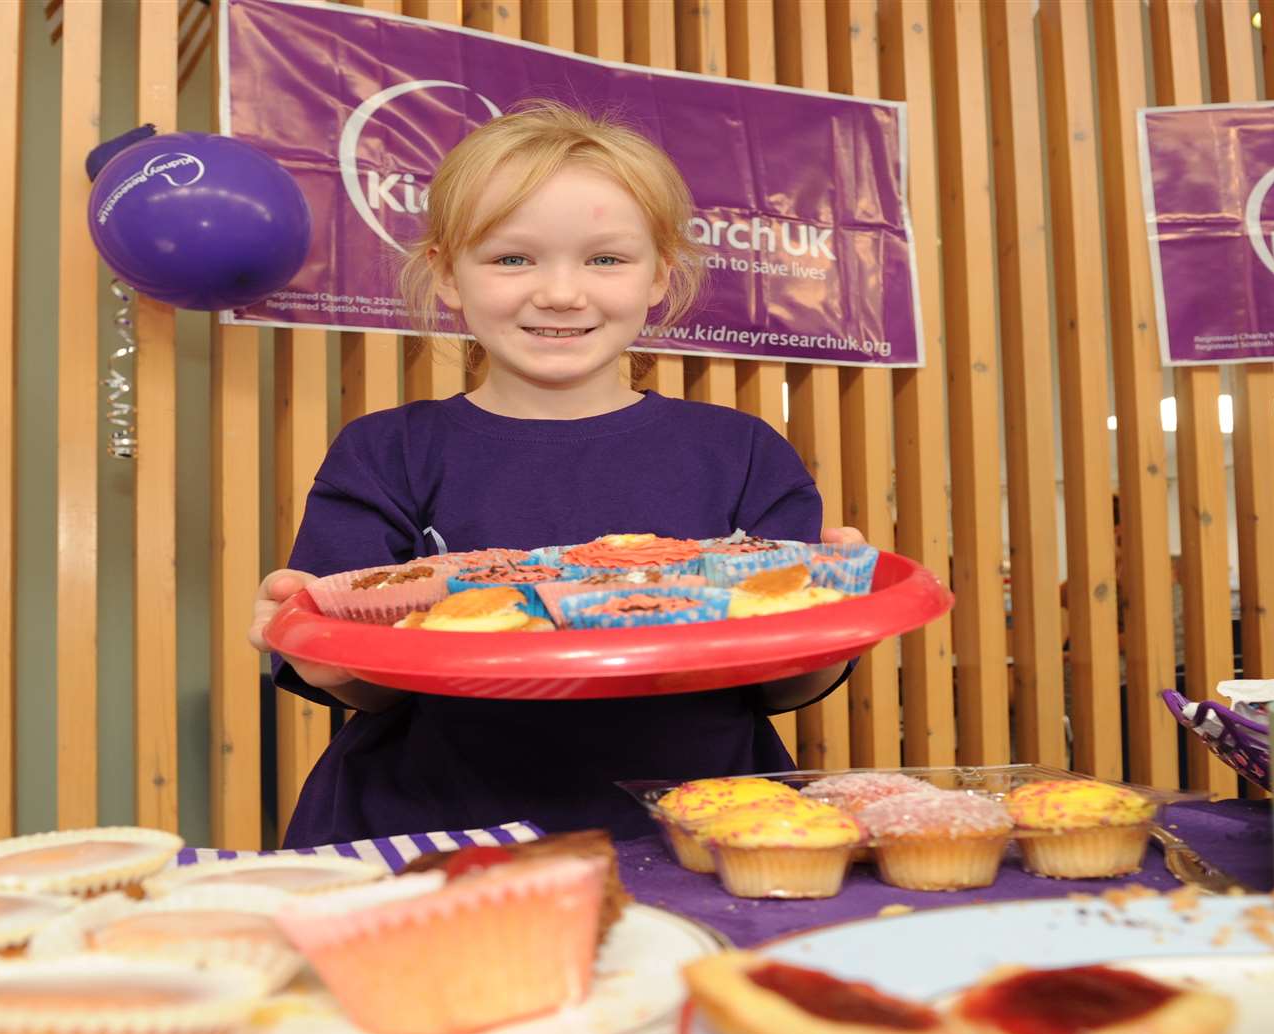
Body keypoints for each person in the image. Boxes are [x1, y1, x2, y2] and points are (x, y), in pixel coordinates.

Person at [248, 102, 865, 847]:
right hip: (430, 824)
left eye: (606, 259)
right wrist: (328, 661)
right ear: (447, 276)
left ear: (658, 277)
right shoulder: (386, 451)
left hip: (700, 820)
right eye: (513, 258)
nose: (562, 292)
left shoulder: (742, 452)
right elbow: (370, 685)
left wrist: (832, 627)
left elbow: (778, 686)